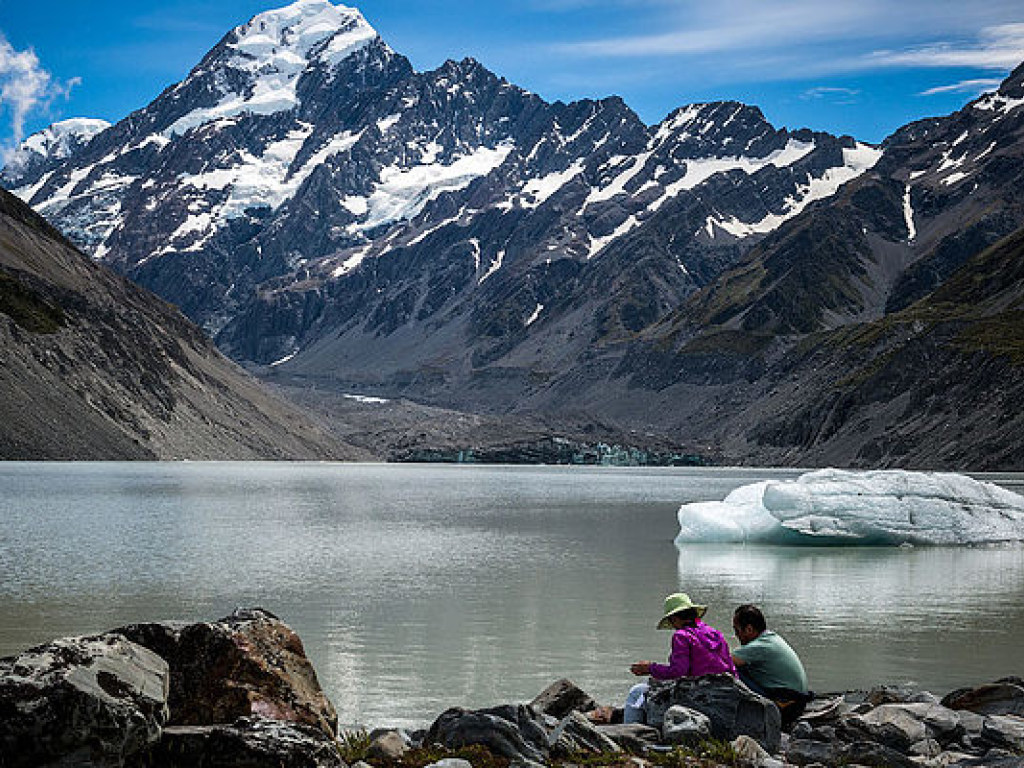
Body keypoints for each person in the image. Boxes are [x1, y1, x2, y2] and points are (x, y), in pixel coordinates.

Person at [623, 592, 735, 723]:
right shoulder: (715, 633)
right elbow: (730, 666)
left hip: (701, 693)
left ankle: (630, 730)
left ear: (675, 619)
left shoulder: (681, 636)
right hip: (725, 691)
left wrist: (650, 668)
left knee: (637, 691)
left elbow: (678, 671)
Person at [731, 604, 811, 726]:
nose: (736, 635)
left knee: (733, 671)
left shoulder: (759, 646)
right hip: (798, 701)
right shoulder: (771, 638)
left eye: (737, 630)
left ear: (749, 629)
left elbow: (725, 661)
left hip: (787, 706)